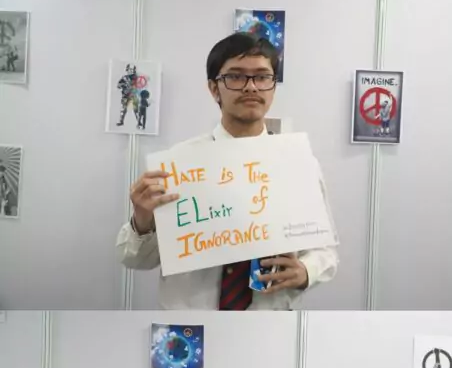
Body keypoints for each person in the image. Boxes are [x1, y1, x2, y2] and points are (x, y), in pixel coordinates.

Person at [115, 33, 338, 309]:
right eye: (235, 76)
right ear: (213, 88)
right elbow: (135, 259)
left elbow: (325, 252)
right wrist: (143, 220)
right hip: (190, 321)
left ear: (273, 87)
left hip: (267, 323)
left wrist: (306, 271)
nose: (251, 87)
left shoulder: (299, 163)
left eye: (262, 76)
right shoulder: (181, 166)